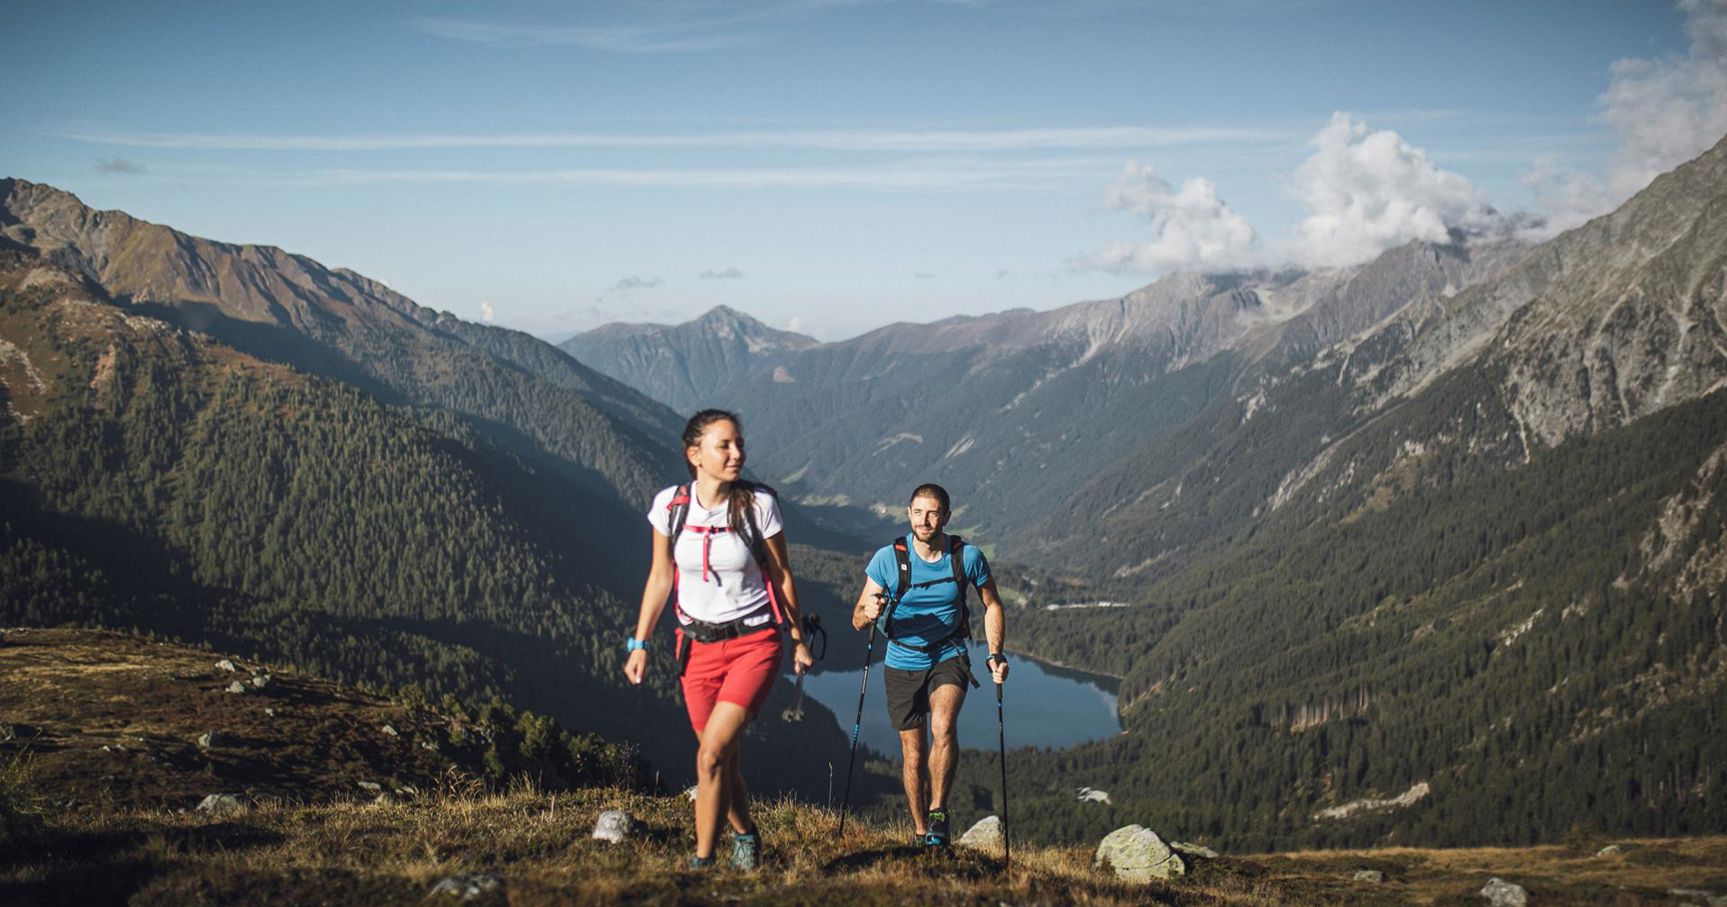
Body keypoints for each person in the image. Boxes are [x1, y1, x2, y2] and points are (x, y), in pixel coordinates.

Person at [624, 409, 816, 870]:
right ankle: (746, 833)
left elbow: (781, 574)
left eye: (739, 444)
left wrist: (797, 638)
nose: (738, 454)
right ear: (695, 455)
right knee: (723, 762)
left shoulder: (758, 505)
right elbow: (659, 577)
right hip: (696, 650)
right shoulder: (669, 507)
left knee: (709, 755)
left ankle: (702, 864)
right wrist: (640, 643)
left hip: (754, 644)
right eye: (724, 446)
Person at [852, 483, 1009, 849]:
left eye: (933, 512)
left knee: (943, 727)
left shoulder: (966, 557)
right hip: (901, 658)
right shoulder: (887, 559)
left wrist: (994, 654)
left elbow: (993, 604)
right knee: (913, 753)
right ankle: (921, 831)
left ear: (947, 517)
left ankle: (938, 812)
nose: (925, 520)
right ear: (908, 514)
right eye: (918, 512)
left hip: (948, 653)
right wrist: (868, 612)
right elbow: (856, 618)